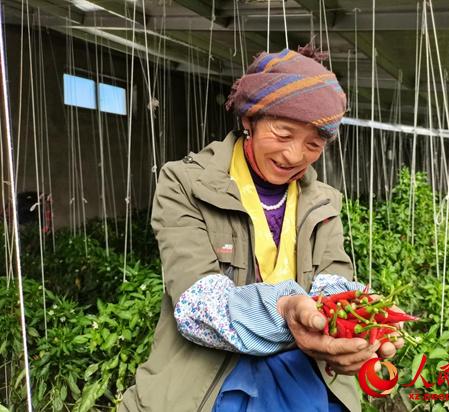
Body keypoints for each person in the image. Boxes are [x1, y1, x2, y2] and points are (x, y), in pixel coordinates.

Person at [120, 44, 404, 412]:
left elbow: (333, 279)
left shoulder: (322, 202)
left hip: (305, 379)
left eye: (313, 144)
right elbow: (197, 303)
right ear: (249, 119)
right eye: (283, 135)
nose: (294, 155)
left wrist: (356, 326)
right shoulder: (185, 184)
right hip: (215, 383)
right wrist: (286, 311)